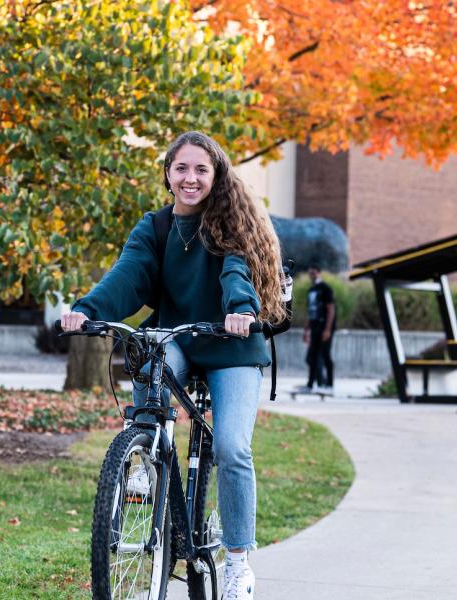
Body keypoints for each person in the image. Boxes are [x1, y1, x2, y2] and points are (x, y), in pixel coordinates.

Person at [59, 131, 286, 600]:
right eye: (182, 168)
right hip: (180, 335)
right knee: (152, 353)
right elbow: (129, 273)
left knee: (231, 447)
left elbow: (236, 273)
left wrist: (242, 310)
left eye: (201, 169)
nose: (191, 178)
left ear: (216, 175)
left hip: (232, 345)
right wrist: (89, 309)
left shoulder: (228, 224)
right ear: (167, 173)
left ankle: (239, 562)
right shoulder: (155, 227)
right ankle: (145, 457)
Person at [300, 266, 335, 394]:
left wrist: (328, 329)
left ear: (319, 273)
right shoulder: (311, 290)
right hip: (314, 326)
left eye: (314, 273)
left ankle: (329, 385)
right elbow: (311, 312)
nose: (312, 275)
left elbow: (331, 309)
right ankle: (311, 385)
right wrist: (306, 330)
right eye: (310, 273)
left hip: (324, 326)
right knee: (312, 357)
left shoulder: (325, 288)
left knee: (325, 356)